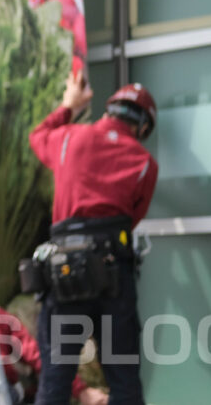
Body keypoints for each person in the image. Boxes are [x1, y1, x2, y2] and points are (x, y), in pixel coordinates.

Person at [29, 71, 158, 405]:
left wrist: (68, 106)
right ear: (142, 128)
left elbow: (38, 135)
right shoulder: (145, 163)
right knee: (124, 379)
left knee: (56, 379)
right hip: (114, 277)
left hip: (65, 274)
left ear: (107, 112)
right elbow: (132, 218)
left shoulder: (69, 138)